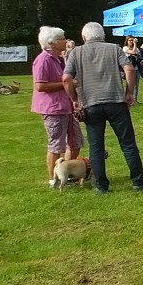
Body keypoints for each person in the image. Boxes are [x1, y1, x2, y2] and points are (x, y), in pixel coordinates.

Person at [62, 22, 143, 193]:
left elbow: (66, 78)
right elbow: (129, 69)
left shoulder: (76, 52)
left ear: (84, 37)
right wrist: (129, 93)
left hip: (90, 104)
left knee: (96, 147)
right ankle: (138, 182)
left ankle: (101, 185)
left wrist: (75, 99)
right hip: (116, 102)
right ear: (102, 35)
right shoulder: (114, 49)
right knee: (128, 144)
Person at [32, 26, 83, 187]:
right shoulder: (43, 60)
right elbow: (40, 86)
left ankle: (67, 173)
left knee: (76, 142)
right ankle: (53, 179)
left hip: (67, 107)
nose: (65, 41)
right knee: (56, 144)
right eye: (62, 38)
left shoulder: (60, 59)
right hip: (53, 108)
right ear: (52, 43)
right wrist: (65, 84)